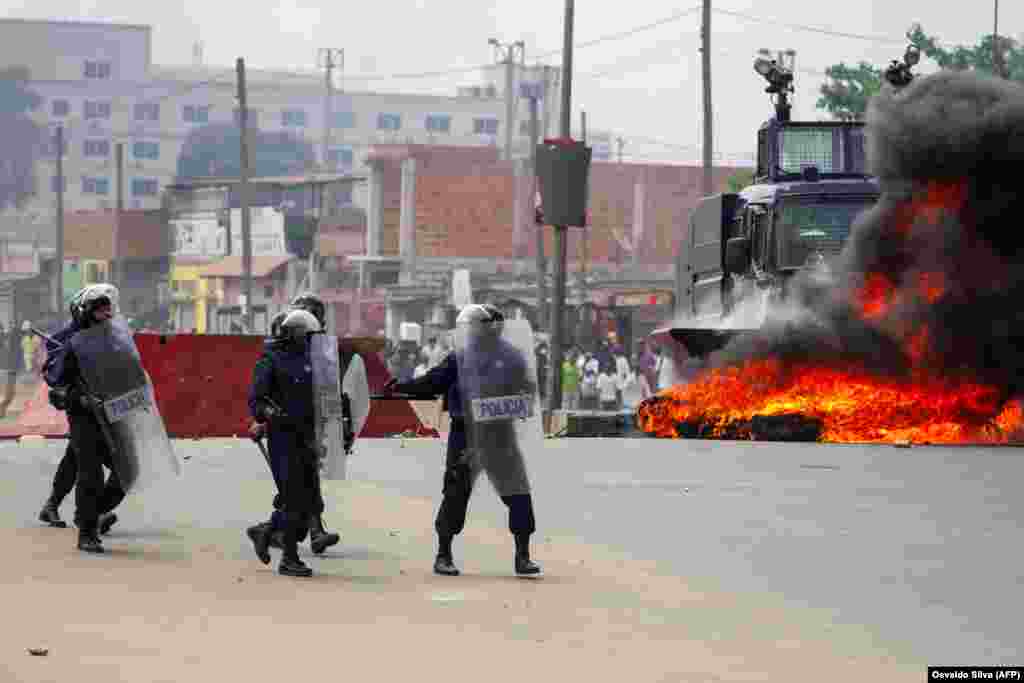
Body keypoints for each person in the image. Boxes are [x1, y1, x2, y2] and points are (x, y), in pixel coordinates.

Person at [384, 304, 542, 578]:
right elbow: (432, 382)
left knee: (518, 495)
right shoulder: (459, 358)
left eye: (476, 325)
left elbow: (528, 391)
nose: (471, 331)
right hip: (465, 435)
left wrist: (519, 402)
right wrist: (401, 387)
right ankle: (443, 554)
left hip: (500, 434)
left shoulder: (512, 357)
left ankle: (523, 556)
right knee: (455, 495)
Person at [247, 295, 341, 559]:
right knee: (296, 498)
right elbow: (261, 396)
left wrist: (337, 426)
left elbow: (322, 396)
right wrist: (266, 417)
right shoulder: (276, 355)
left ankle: (274, 533)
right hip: (285, 435)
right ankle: (288, 552)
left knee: (304, 496)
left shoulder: (317, 353)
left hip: (307, 434)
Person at [42, 284, 127, 553]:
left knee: (128, 470)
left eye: (108, 310)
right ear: (87, 313)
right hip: (84, 417)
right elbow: (56, 386)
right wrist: (79, 398)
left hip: (114, 414)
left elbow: (131, 374)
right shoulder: (72, 344)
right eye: (100, 311)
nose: (106, 315)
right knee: (89, 472)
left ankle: (91, 513)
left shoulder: (116, 341)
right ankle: (88, 531)